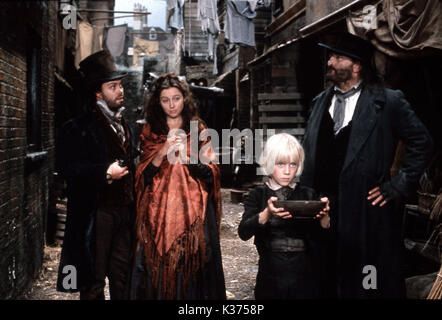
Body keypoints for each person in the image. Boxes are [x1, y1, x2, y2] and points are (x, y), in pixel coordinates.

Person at [301, 33, 433, 298]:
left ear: (357, 65)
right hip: (323, 211)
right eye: (330, 56)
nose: (330, 62)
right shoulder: (319, 103)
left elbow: (423, 143)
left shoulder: (387, 102)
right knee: (325, 279)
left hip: (365, 213)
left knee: (366, 281)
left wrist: (396, 186)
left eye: (337, 57)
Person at [130, 73, 226, 300]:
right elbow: (143, 177)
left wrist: (187, 157)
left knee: (194, 265)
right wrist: (163, 151)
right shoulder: (150, 131)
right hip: (158, 212)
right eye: (165, 100)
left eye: (176, 98)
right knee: (155, 269)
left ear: (185, 99)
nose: (172, 105)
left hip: (194, 212)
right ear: (158, 102)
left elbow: (212, 173)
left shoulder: (199, 128)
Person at [56, 50, 137, 300]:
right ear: (98, 93)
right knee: (93, 280)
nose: (120, 90)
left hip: (124, 213)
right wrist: (104, 172)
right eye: (113, 86)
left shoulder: (125, 125)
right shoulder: (78, 127)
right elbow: (68, 169)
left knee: (123, 276)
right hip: (96, 213)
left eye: (121, 85)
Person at [238, 133, 330, 299]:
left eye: (293, 164)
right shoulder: (258, 195)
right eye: (280, 164)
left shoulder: (308, 194)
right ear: (268, 162)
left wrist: (324, 219)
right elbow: (243, 233)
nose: (287, 171)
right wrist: (266, 214)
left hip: (305, 276)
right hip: (270, 274)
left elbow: (325, 241)